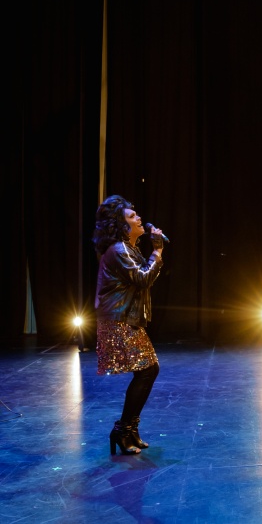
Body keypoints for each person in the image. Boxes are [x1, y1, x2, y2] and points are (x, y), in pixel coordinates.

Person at [93, 195, 165, 456]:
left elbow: (140, 277)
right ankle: (124, 430)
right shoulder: (119, 250)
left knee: (148, 370)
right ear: (122, 226)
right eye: (132, 217)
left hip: (125, 318)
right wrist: (157, 251)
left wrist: (154, 253)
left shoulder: (127, 248)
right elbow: (143, 278)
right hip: (119, 320)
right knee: (148, 370)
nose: (139, 218)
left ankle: (128, 429)